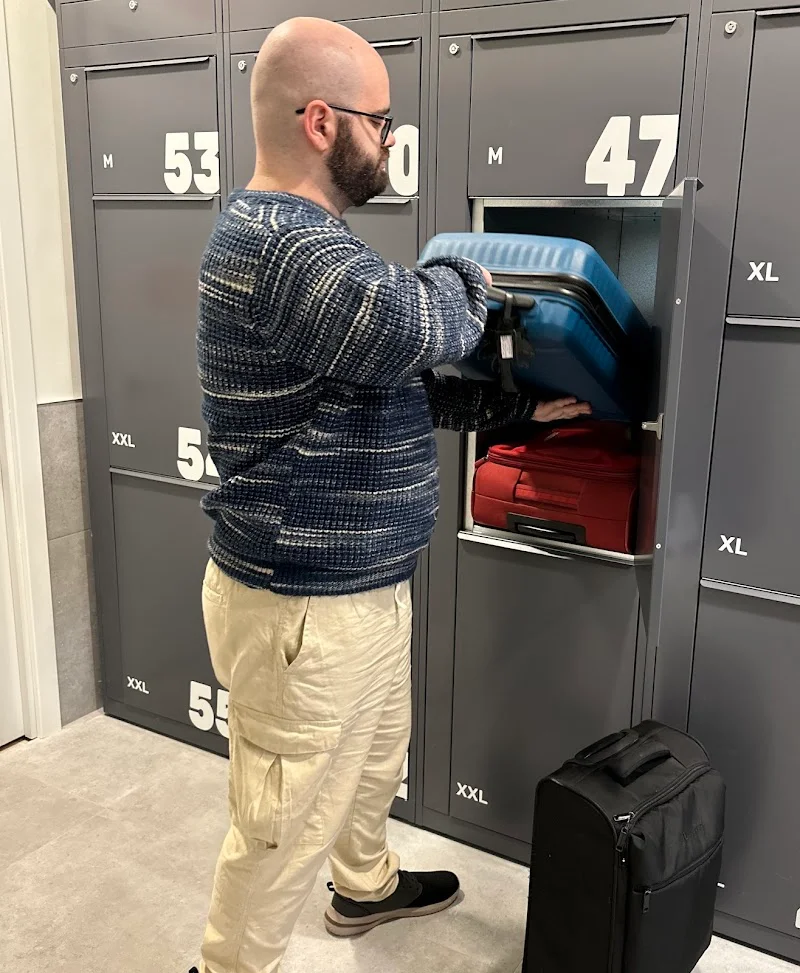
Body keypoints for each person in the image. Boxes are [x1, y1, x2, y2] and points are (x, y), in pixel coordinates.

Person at [192, 16, 590, 973]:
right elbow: (411, 324)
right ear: (323, 123)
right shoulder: (282, 241)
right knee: (280, 824)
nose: (393, 142)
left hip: (358, 589)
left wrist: (513, 409)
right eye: (384, 122)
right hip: (303, 609)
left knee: (368, 768)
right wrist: (465, 265)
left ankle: (362, 889)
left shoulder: (316, 248)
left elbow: (386, 381)